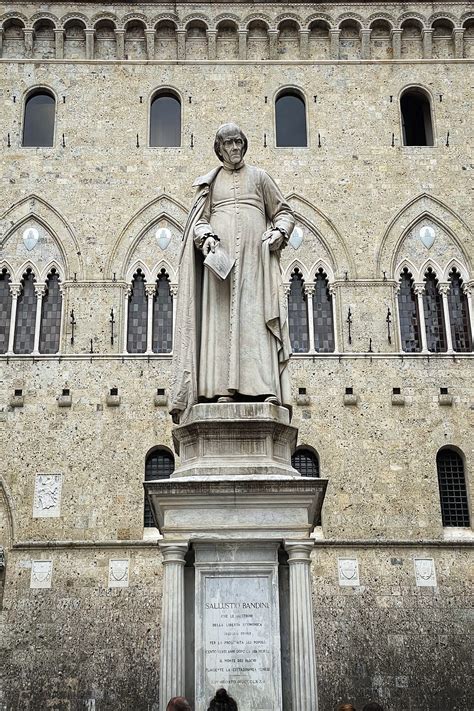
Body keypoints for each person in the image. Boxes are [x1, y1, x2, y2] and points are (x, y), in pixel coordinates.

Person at [170, 122, 295, 423]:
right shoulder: (210, 185)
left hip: (255, 262)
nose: (235, 148)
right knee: (220, 325)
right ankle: (219, 388)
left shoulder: (261, 178)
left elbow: (284, 212)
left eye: (239, 142)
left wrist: (279, 231)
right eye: (229, 144)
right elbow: (199, 221)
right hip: (220, 268)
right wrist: (206, 237)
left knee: (255, 319)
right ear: (220, 148)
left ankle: (265, 388)